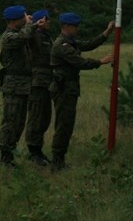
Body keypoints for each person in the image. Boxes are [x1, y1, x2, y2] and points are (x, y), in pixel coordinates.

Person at [49, 12, 114, 171]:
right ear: (66, 27)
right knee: (64, 125)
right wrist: (101, 61)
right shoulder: (62, 45)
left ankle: (59, 159)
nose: (77, 29)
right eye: (75, 27)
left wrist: (106, 33)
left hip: (69, 89)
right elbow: (80, 63)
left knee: (67, 124)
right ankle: (57, 161)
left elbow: (88, 44)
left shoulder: (70, 41)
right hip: (63, 89)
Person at [0, 5, 34, 167]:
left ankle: (11, 153)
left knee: (19, 122)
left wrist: (31, 24)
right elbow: (24, 37)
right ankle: (5, 156)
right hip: (13, 85)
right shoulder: (9, 37)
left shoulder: (19, 32)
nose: (25, 20)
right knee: (11, 120)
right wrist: (30, 24)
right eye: (22, 18)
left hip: (22, 84)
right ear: (13, 21)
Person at [24, 9, 54, 166]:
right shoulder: (34, 35)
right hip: (36, 82)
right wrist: (31, 24)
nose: (48, 22)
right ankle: (33, 151)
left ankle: (38, 149)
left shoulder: (46, 37)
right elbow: (26, 37)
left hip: (46, 82)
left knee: (44, 117)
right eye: (46, 19)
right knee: (36, 116)